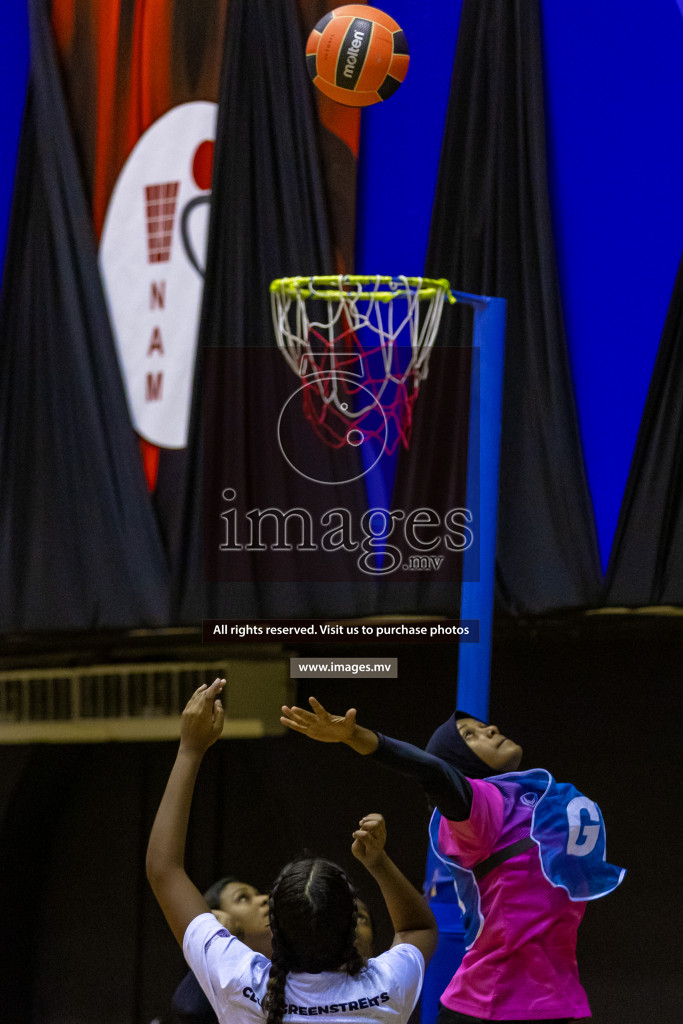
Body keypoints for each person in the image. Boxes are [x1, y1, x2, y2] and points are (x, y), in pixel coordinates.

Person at [280, 698, 625, 1024]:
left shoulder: (528, 801)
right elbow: (436, 775)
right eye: (469, 736)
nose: (490, 730)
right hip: (492, 1004)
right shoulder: (482, 810)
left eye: (482, 726)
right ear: (459, 764)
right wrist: (358, 736)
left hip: (558, 998)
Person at [146, 679, 438, 1024]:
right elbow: (418, 928)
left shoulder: (239, 981)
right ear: (352, 927)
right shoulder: (385, 989)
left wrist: (189, 750)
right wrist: (379, 862)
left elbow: (164, 870)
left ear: (275, 930)